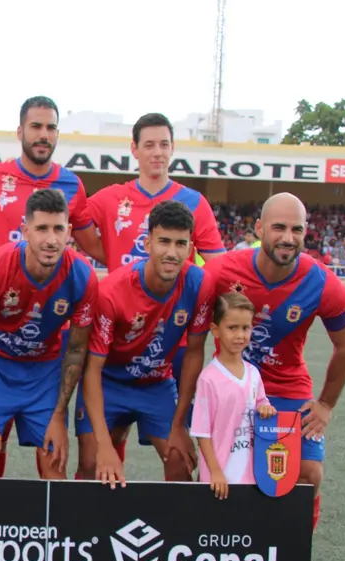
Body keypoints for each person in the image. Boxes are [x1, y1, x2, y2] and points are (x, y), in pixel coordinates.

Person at [204, 192, 345, 561]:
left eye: (297, 229)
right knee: (205, 471)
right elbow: (192, 335)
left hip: (287, 389)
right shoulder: (222, 270)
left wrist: (325, 404)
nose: (288, 237)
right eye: (280, 227)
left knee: (307, 473)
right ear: (259, 230)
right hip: (230, 386)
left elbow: (344, 346)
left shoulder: (320, 281)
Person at [84, 112, 227, 467]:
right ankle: (107, 504)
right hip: (120, 326)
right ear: (134, 149)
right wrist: (112, 258)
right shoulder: (109, 198)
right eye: (149, 144)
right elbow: (75, 224)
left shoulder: (194, 202)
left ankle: (175, 520)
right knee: (107, 442)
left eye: (164, 144)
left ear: (173, 148)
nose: (157, 152)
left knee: (180, 452)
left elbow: (218, 265)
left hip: (172, 344)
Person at [77, 200, 215, 487]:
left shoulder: (199, 284)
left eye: (180, 244)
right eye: (163, 241)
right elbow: (91, 370)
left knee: (180, 461)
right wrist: (104, 446)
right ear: (147, 242)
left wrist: (179, 424)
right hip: (109, 383)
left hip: (156, 384)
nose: (171, 252)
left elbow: (193, 353)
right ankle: (89, 531)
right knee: (92, 463)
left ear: (191, 249)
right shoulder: (111, 293)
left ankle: (176, 531)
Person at [0, 189, 98, 479]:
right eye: (41, 229)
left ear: (69, 232)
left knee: (55, 463)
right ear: (25, 230)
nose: (51, 239)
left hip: (46, 370)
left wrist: (60, 414)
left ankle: (60, 526)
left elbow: (76, 349)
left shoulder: (82, 275)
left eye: (58, 229)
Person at [0, 95, 102, 260]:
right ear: (20, 132)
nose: (44, 135)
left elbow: (94, 247)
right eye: (36, 126)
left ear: (57, 134)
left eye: (51, 128)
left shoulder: (72, 185)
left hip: (50, 285)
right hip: (1, 284)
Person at [190, 292, 276, 500]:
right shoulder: (208, 378)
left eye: (245, 328)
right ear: (215, 330)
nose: (240, 335)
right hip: (221, 477)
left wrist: (266, 407)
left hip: (251, 474)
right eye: (232, 328)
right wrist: (215, 472)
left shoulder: (253, 373)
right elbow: (202, 433)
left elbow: (261, 402)